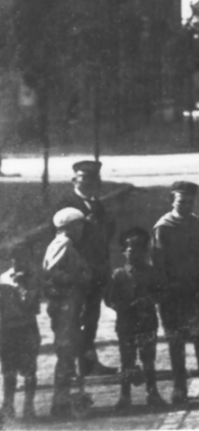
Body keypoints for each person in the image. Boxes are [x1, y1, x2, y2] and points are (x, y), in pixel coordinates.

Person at [152, 181, 199, 404]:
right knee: (176, 341)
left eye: (190, 201)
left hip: (197, 291)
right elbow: (158, 263)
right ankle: (179, 388)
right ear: (172, 201)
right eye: (181, 201)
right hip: (173, 294)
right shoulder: (163, 227)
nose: (186, 205)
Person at [53, 159, 117, 376]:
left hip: (96, 271)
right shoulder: (65, 204)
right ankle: (68, 366)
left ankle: (88, 364)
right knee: (72, 320)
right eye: (85, 178)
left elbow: (106, 237)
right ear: (74, 180)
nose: (90, 182)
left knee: (91, 319)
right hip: (76, 273)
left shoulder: (97, 204)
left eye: (94, 178)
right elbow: (61, 239)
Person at [104, 227, 165, 409]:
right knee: (126, 360)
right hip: (126, 324)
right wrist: (124, 307)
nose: (133, 254)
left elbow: (160, 293)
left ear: (144, 252)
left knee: (148, 360)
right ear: (124, 252)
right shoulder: (118, 275)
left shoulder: (152, 272)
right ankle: (125, 395)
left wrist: (149, 301)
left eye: (138, 250)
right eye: (129, 250)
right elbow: (109, 299)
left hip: (147, 322)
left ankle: (152, 393)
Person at [43, 207, 92, 418]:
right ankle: (60, 402)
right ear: (68, 226)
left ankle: (64, 400)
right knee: (66, 352)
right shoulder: (63, 243)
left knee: (69, 352)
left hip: (69, 304)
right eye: (78, 225)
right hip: (64, 306)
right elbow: (52, 272)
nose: (81, 229)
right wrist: (79, 278)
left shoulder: (65, 244)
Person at [0, 244, 40, 422]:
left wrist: (20, 286)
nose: (22, 262)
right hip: (7, 330)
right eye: (18, 258)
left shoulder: (33, 279)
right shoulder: (2, 280)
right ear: (12, 259)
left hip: (27, 328)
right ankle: (8, 407)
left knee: (30, 370)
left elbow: (32, 307)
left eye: (26, 259)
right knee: (8, 371)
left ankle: (29, 407)